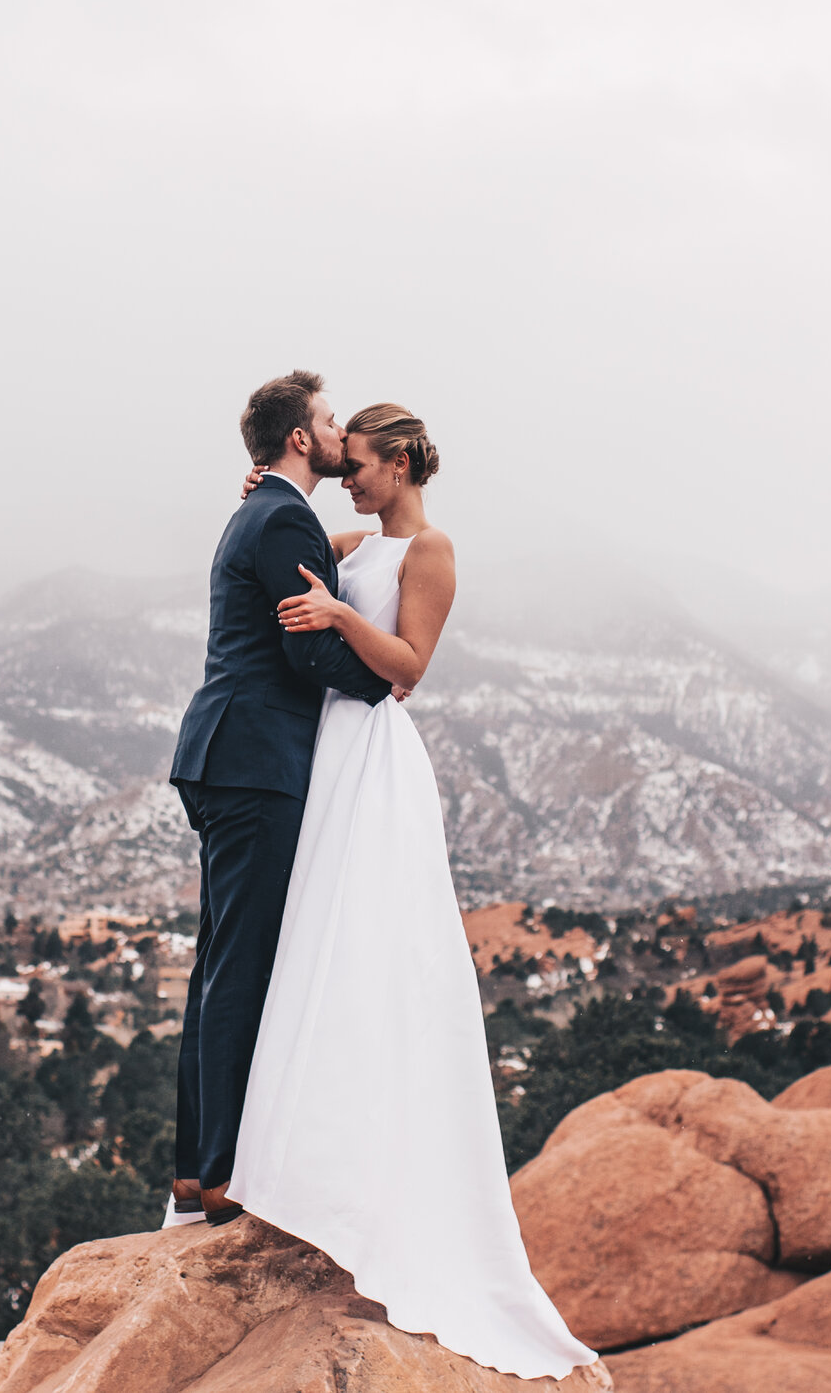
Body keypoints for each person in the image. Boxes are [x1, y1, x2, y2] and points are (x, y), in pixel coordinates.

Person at [226, 402, 598, 1383]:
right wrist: (269, 494)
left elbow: (408, 670)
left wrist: (344, 615)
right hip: (324, 750)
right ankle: (301, 1172)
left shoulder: (430, 550)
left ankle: (369, 1196)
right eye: (341, 466)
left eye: (358, 467)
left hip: (373, 753)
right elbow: (302, 534)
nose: (348, 480)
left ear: (397, 461)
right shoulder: (355, 533)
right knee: (317, 949)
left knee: (368, 947)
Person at [167, 371, 392, 1229]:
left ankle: (197, 1168)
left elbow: (299, 577)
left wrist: (351, 552)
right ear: (301, 438)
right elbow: (305, 649)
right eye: (331, 422)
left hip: (228, 754)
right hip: (257, 761)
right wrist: (384, 679)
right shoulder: (280, 515)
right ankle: (223, 1172)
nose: (339, 435)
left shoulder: (261, 510)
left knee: (220, 960)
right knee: (243, 963)